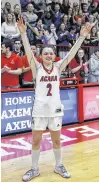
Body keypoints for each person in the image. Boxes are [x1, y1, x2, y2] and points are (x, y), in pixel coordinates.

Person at [17, 18, 94, 181]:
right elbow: (28, 51)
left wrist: (81, 37)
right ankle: (34, 169)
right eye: (45, 53)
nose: (48, 55)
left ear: (54, 55)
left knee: (56, 140)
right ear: (41, 56)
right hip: (39, 110)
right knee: (36, 140)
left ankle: (59, 165)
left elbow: (72, 53)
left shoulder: (58, 67)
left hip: (55, 109)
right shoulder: (36, 66)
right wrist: (23, 34)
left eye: (51, 53)